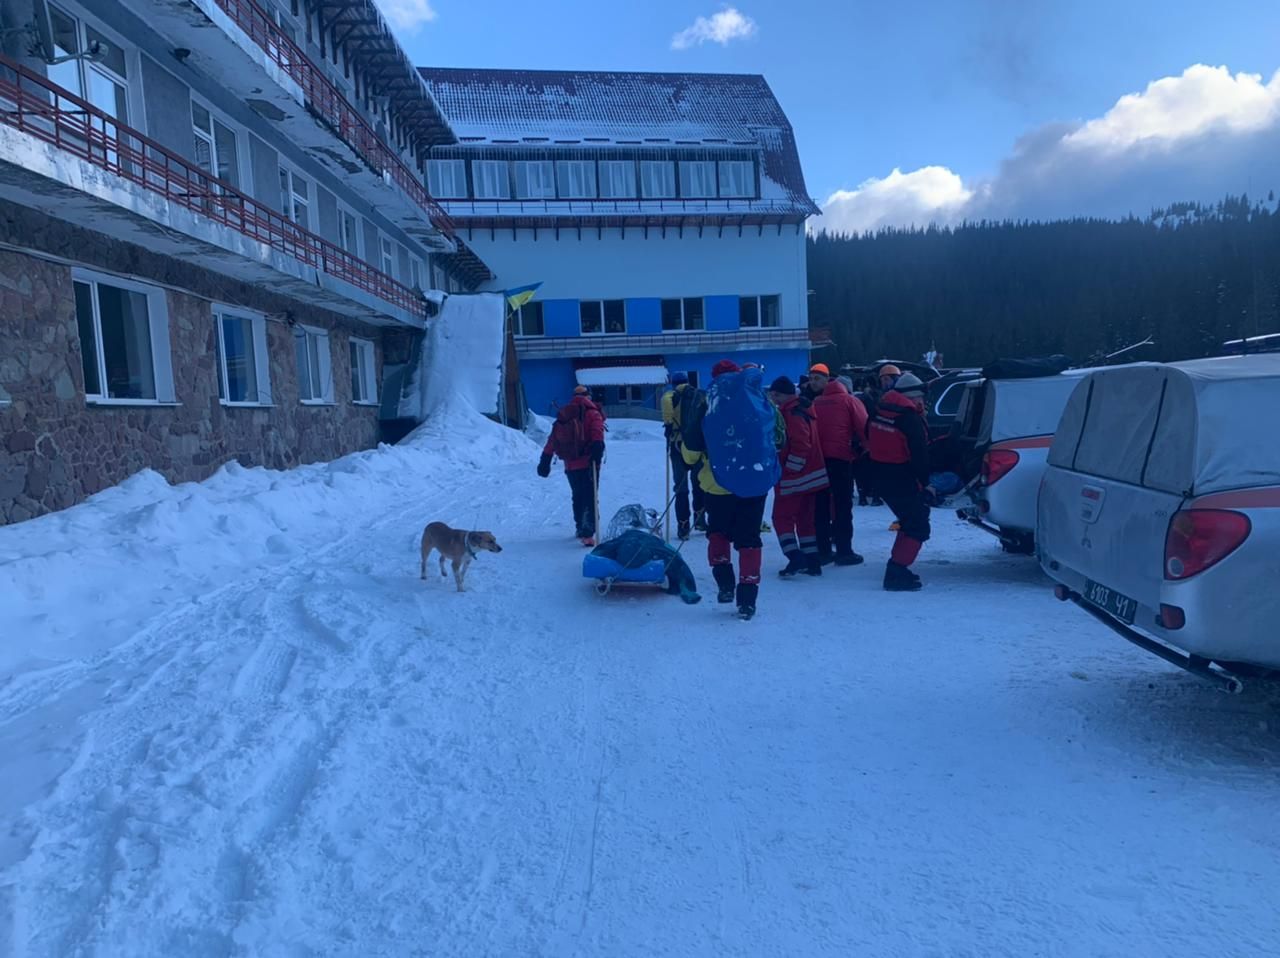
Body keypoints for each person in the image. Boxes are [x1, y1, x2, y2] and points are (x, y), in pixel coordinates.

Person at [682, 359, 773, 619]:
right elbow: (778, 437)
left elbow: (690, 452)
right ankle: (747, 599)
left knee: (718, 532)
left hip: (718, 483)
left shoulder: (707, 404)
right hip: (755, 482)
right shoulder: (759, 399)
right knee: (750, 539)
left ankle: (724, 584)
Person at [865, 372, 933, 591]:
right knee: (918, 525)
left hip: (878, 473)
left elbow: (867, 435)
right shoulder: (909, 418)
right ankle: (896, 570)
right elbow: (919, 455)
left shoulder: (878, 410)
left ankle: (898, 567)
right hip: (902, 476)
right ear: (913, 396)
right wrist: (926, 483)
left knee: (908, 520)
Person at [767, 375, 828, 577]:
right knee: (805, 519)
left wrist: (789, 470)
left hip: (796, 478)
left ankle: (795, 556)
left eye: (774, 396)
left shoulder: (791, 413)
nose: (773, 400)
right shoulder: (804, 408)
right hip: (813, 476)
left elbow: (801, 444)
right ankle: (812, 560)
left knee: (781, 518)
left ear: (779, 394)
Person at [807, 363, 868, 566]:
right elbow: (864, 427)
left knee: (821, 506)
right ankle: (844, 550)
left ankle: (824, 550)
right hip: (841, 459)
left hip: (818, 460)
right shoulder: (849, 401)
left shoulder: (815, 403)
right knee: (843, 505)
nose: (813, 382)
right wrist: (865, 451)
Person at [538, 385, 606, 545]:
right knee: (590, 496)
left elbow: (553, 438)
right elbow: (597, 434)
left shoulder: (565, 414)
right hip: (589, 463)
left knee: (577, 495)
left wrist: (545, 459)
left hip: (570, 465)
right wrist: (597, 453)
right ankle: (588, 533)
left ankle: (579, 527)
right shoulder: (593, 413)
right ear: (588, 396)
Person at [660, 372, 705, 538]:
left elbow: (668, 421)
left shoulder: (670, 397)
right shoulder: (698, 396)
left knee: (681, 486)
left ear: (673, 383)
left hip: (677, 445)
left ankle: (683, 526)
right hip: (697, 446)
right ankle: (700, 519)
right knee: (699, 482)